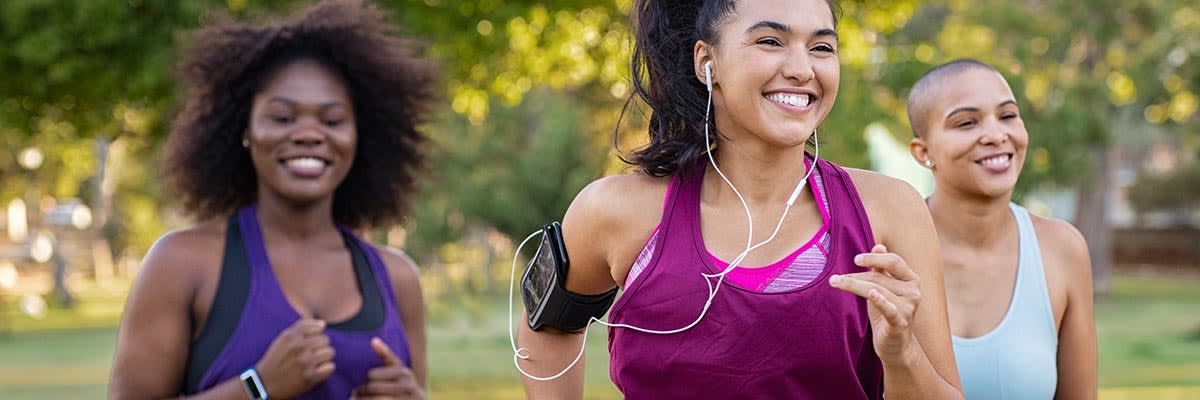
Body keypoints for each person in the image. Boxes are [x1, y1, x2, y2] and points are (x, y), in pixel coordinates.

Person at [516, 0, 964, 398]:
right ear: (705, 61)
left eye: (822, 47)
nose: (802, 68)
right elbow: (547, 329)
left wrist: (903, 355)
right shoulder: (616, 211)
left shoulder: (889, 211)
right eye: (771, 41)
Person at [108, 0, 435, 398]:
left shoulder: (397, 278)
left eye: (332, 121)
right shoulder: (181, 263)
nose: (309, 134)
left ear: (359, 136)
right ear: (243, 131)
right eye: (282, 117)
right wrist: (257, 387)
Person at [906, 59, 1098, 399]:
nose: (996, 135)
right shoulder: (883, 248)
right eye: (966, 123)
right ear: (923, 152)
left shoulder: (1063, 249)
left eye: (1008, 116)